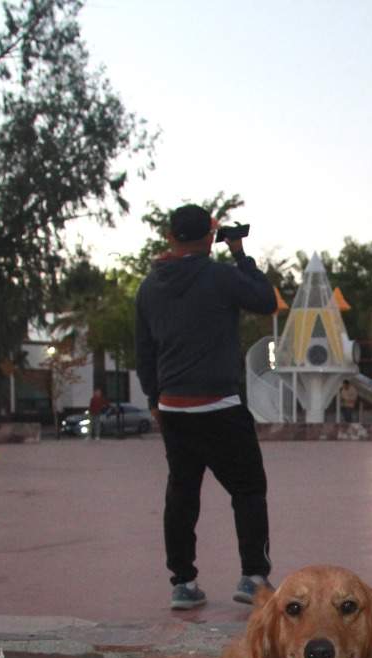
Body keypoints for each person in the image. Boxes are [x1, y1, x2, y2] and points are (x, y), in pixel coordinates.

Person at [136, 204, 278, 610]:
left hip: (175, 408)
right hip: (219, 405)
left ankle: (183, 583)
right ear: (211, 233)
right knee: (248, 489)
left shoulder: (149, 287)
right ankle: (253, 576)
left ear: (169, 236)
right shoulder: (220, 277)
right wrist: (239, 253)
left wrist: (154, 400)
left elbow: (143, 351)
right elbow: (266, 300)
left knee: (182, 494)